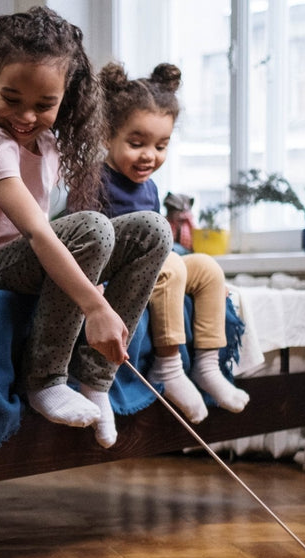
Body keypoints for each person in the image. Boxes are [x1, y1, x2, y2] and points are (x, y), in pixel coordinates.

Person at [0, 7, 171, 448]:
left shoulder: (50, 145)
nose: (25, 116)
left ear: (67, 98)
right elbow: (42, 233)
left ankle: (96, 380)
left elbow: (60, 234)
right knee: (92, 229)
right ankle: (44, 379)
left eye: (44, 105)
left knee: (152, 230)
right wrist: (93, 306)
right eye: (11, 98)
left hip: (25, 261)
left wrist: (89, 281)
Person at [98, 62, 249, 423]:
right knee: (169, 266)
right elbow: (86, 241)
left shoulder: (149, 187)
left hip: (157, 263)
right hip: (122, 273)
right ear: (107, 135)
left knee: (207, 268)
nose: (150, 154)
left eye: (161, 145)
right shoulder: (96, 181)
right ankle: (168, 366)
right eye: (137, 143)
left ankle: (208, 365)